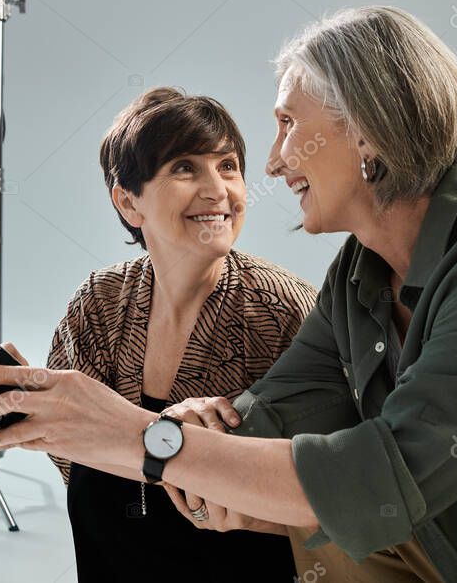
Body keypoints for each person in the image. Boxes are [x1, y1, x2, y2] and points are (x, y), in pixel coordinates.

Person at [0, 7, 457, 582]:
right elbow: (275, 410)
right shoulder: (358, 274)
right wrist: (146, 430)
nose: (268, 164)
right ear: (125, 201)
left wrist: (145, 438)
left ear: (364, 133)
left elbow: (384, 479)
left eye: (288, 125)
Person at [26, 87, 317, 581]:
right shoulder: (99, 301)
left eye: (227, 166)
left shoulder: (283, 311)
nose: (217, 189)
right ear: (127, 201)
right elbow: (72, 458)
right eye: (185, 167)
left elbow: (323, 498)